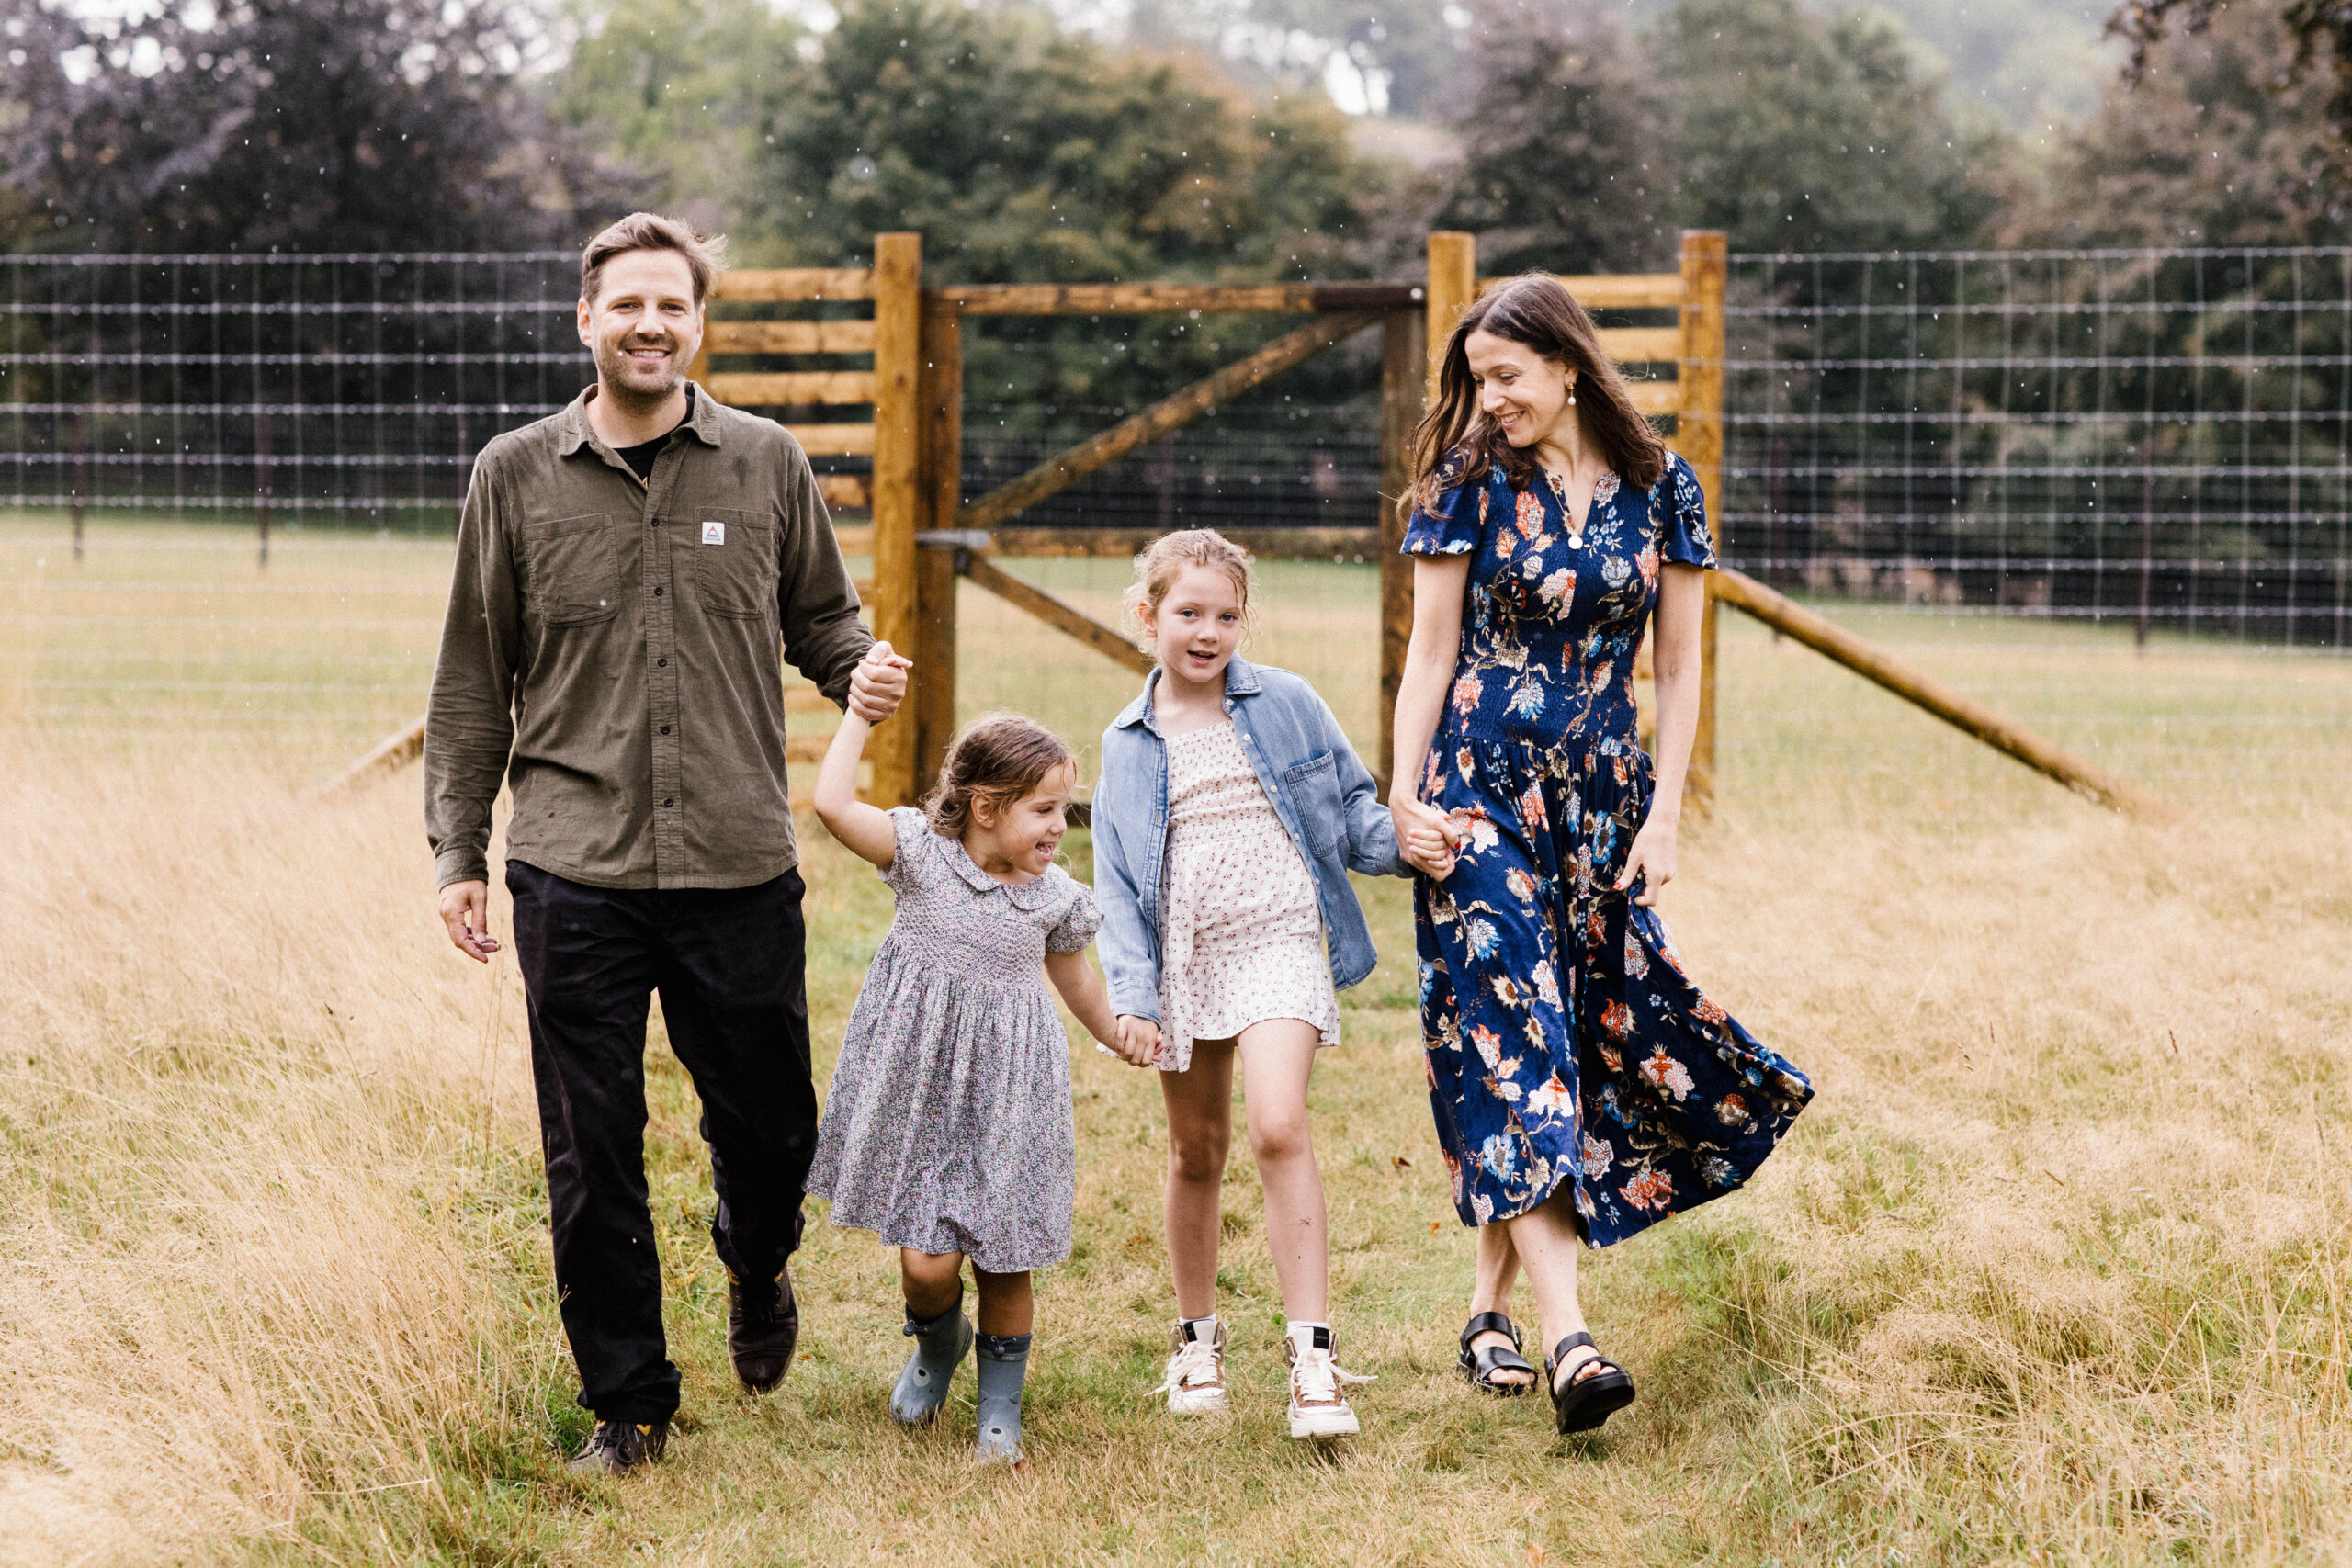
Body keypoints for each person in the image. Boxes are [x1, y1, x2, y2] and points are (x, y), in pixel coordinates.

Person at [423, 212, 907, 1476]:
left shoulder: (764, 463)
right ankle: (630, 1400)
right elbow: (474, 678)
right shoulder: (515, 475)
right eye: (626, 304)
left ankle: (757, 1258)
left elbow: (823, 623)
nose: (649, 324)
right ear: (586, 319)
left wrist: (867, 671)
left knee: (773, 1130)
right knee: (591, 1142)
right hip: (572, 864)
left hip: (739, 862)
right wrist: (458, 851)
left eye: (672, 307)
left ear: (698, 324)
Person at [1388, 273, 1814, 1436]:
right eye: (1477, 383)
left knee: (1563, 1035)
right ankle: (1574, 1337)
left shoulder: (1663, 487)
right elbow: (1427, 659)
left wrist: (1666, 812)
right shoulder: (1465, 483)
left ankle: (1487, 1313)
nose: (1490, 402)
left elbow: (1677, 670)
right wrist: (1400, 798)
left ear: (1567, 367)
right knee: (1512, 1024)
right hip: (1475, 795)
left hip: (1603, 800)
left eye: (1508, 379)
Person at [1091, 529, 1411, 1439]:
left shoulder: (1288, 704)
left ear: (1244, 621)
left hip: (1279, 941)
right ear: (1147, 617)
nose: (1207, 631)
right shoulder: (1129, 742)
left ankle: (1312, 1358)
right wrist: (1135, 996)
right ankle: (1196, 1342)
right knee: (1197, 1153)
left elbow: (1353, 811)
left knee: (1278, 1125)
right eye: (1187, 613)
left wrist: (1412, 842)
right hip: (1185, 958)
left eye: (1226, 615)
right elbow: (1116, 884)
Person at [807, 690, 1132, 1464]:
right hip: (921, 1086)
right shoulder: (919, 855)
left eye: (1064, 808)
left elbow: (1076, 980)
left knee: (1006, 1252)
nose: (1061, 825)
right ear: (985, 807)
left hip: (1011, 1095)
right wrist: (859, 712)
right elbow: (828, 803)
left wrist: (1117, 1031)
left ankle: (999, 1410)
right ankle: (937, 1344)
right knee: (926, 1265)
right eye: (1044, 810)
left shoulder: (1054, 898)